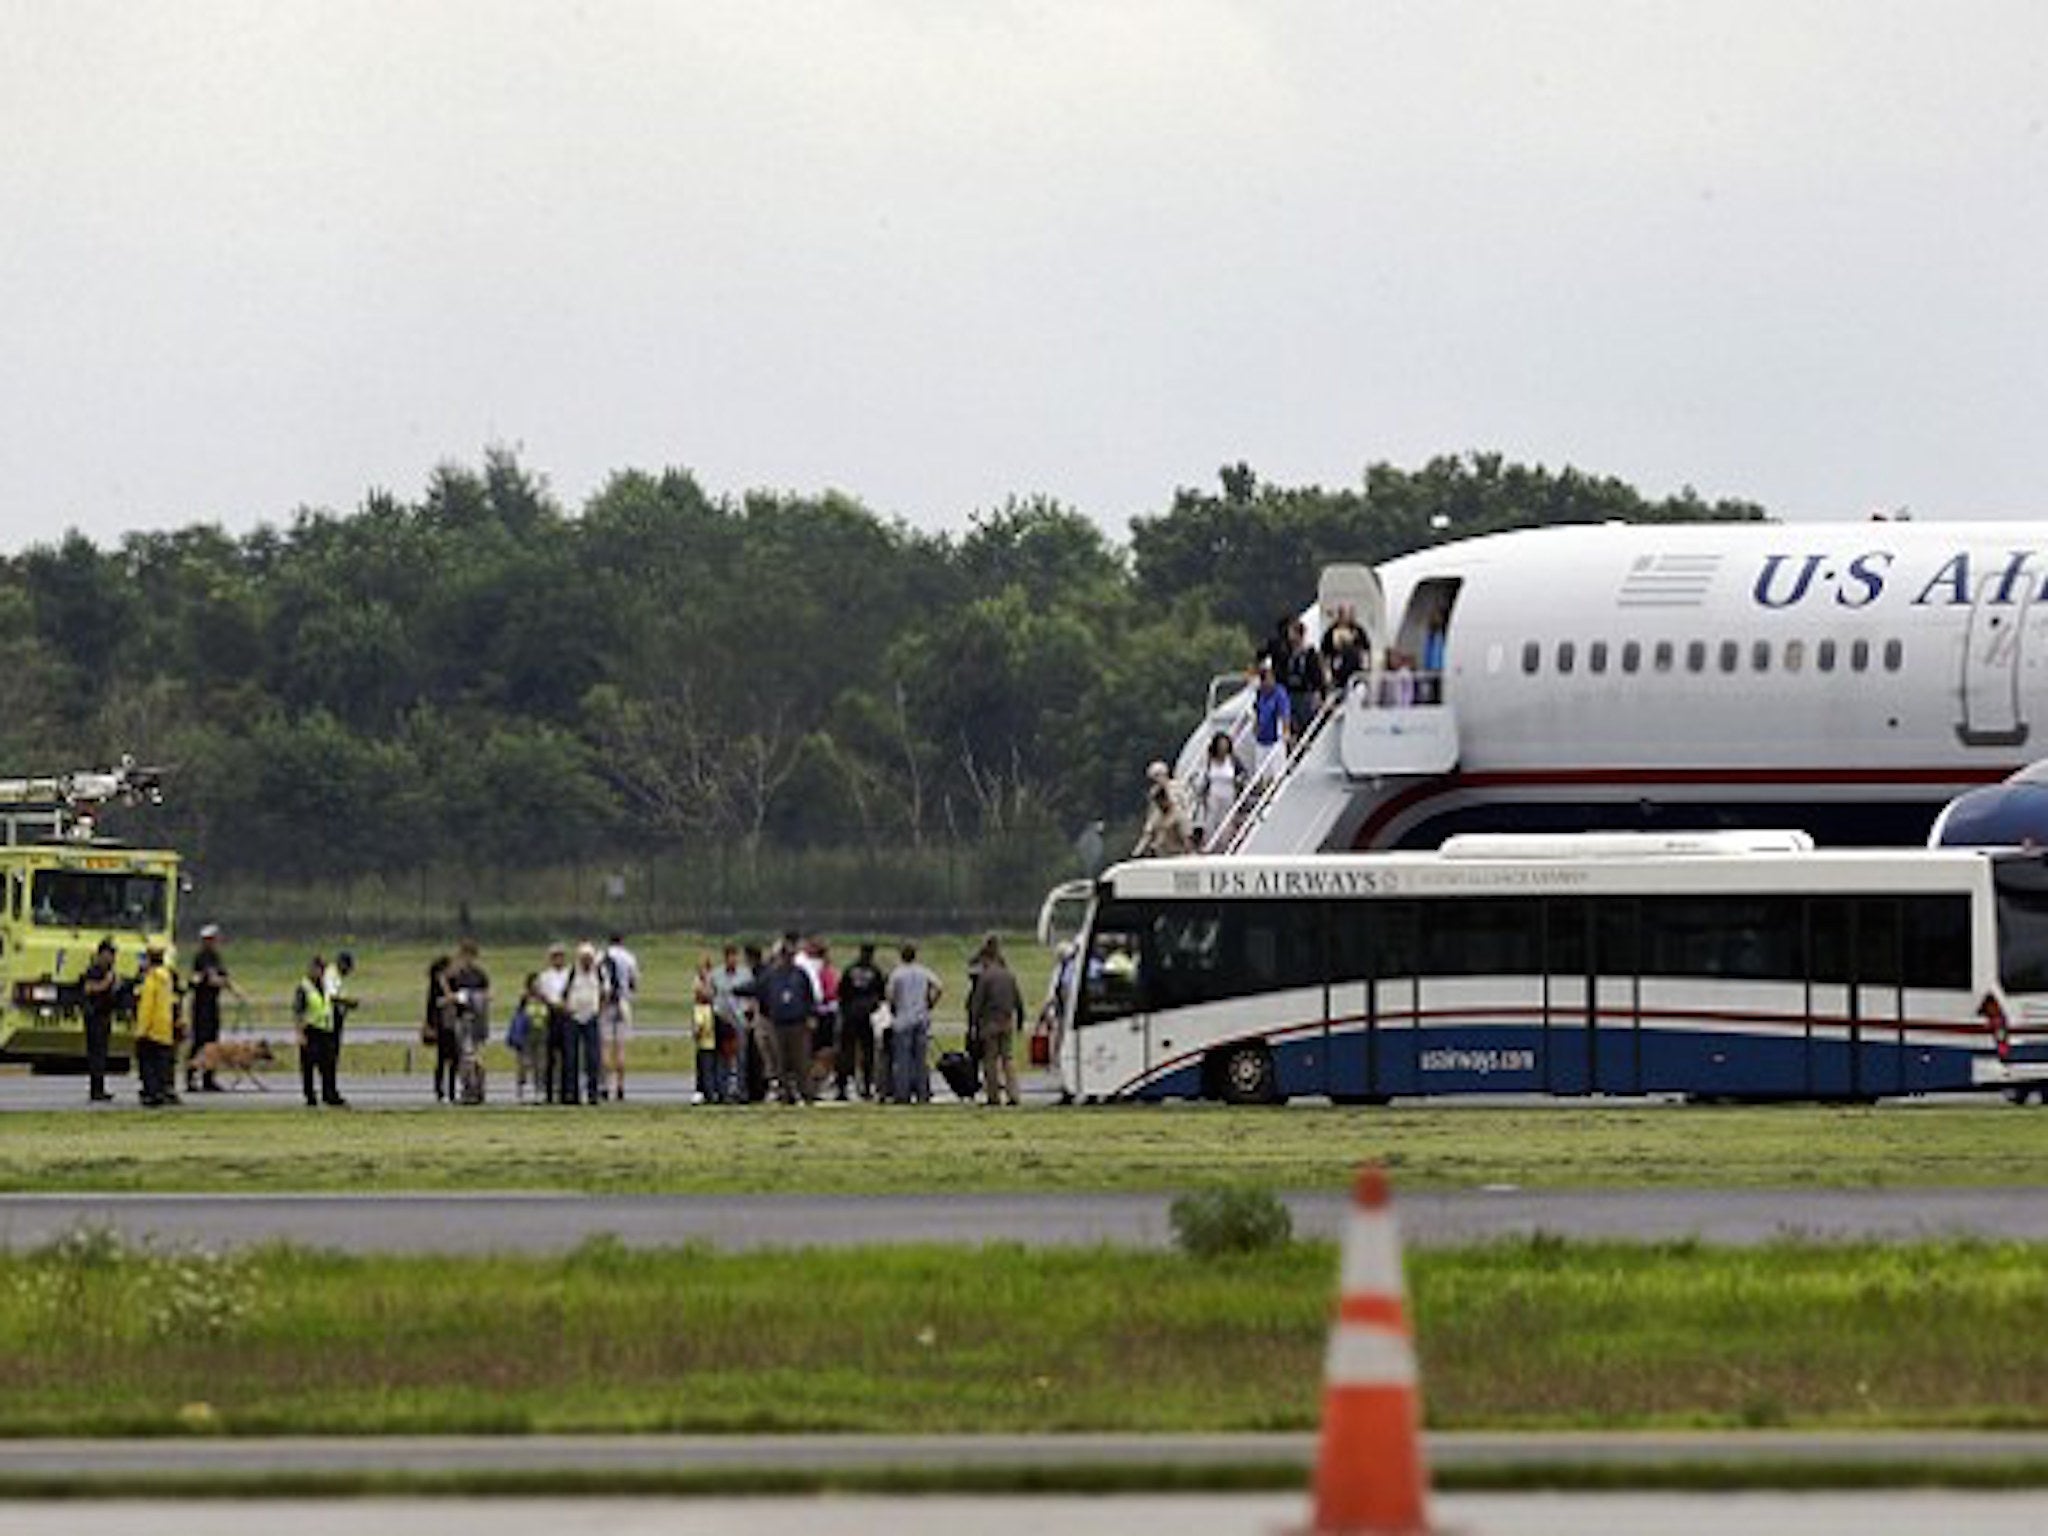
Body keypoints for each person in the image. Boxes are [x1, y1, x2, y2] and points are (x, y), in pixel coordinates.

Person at [966, 935, 1024, 1107]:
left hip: (989, 1023)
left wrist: (973, 1025)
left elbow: (977, 1004)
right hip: (1007, 1022)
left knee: (990, 1061)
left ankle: (994, 1096)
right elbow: (1018, 1001)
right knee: (1008, 1059)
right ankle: (1014, 1094)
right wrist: (1020, 1021)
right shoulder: (1009, 975)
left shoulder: (985, 978)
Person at [185, 923, 243, 1094]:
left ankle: (208, 1078)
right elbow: (211, 979)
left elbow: (223, 977)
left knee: (213, 1043)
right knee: (200, 1042)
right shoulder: (201, 957)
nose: (216, 941)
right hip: (201, 1005)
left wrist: (236, 991)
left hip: (212, 1004)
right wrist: (224, 983)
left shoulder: (216, 957)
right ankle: (191, 1077)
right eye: (212, 939)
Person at [760, 941, 818, 1105]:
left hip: (798, 1024)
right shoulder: (771, 975)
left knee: (801, 1061)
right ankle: (785, 1094)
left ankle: (806, 1093)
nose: (787, 959)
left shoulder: (800, 974)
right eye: (784, 955)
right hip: (778, 1024)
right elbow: (761, 992)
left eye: (790, 955)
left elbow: (809, 996)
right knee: (781, 1061)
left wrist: (811, 1015)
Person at [884, 942, 940, 1105]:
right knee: (921, 1059)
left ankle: (903, 1093)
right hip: (921, 1018)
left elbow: (890, 994)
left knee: (903, 1059)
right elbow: (939, 986)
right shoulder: (923, 972)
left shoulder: (898, 974)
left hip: (902, 1020)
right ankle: (923, 1092)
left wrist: (893, 1007)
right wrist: (930, 1003)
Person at [835, 941, 886, 1101]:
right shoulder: (875, 971)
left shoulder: (850, 970)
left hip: (850, 1015)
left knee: (846, 1053)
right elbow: (881, 994)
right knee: (868, 1053)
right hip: (866, 1017)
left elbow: (841, 992)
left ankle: (842, 1088)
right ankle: (866, 1087)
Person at [133, 940, 180, 1108]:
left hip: (151, 1028)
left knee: (147, 1063)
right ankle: (163, 1089)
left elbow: (147, 1006)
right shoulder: (168, 977)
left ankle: (151, 1093)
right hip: (165, 1028)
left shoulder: (151, 978)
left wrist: (141, 1030)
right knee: (163, 1063)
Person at [294, 952, 345, 1107]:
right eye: (317, 969)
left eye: (322, 969)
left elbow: (331, 1002)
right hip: (311, 1029)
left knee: (328, 1064)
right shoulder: (304, 987)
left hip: (326, 1029)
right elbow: (298, 1012)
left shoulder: (326, 985)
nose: (319, 972)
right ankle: (310, 1096)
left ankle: (329, 1094)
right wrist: (300, 1033)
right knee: (309, 1065)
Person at [561, 943, 604, 1106]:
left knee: (593, 1057)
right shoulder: (571, 973)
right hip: (574, 1018)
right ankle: (573, 1094)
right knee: (571, 1058)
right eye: (584, 959)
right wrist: (567, 1009)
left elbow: (604, 992)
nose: (587, 962)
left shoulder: (599, 973)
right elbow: (563, 993)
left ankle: (593, 1094)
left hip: (591, 1018)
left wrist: (598, 1010)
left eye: (589, 959)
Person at [600, 931, 640, 1102]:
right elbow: (634, 982)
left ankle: (605, 1087)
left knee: (606, 1047)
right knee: (621, 1048)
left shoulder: (601, 957)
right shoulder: (629, 958)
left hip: (607, 1004)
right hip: (623, 1003)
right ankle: (620, 1086)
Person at [710, 943, 751, 1104]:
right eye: (729, 957)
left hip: (740, 1018)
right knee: (723, 1057)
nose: (732, 960)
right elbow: (713, 994)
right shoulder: (716, 974)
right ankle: (723, 1091)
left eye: (735, 956)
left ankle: (741, 1091)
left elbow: (750, 996)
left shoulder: (745, 974)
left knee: (741, 1057)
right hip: (723, 1018)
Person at [79, 937, 119, 1103]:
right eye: (109, 954)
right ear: (101, 954)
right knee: (96, 1054)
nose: (112, 958)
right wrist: (105, 983)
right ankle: (95, 1090)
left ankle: (100, 1088)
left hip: (105, 1015)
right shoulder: (94, 971)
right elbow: (88, 988)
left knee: (102, 1054)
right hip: (94, 1016)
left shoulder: (110, 971)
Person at [1194, 731, 1246, 850]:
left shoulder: (1232, 760)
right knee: (1211, 820)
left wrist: (1239, 781)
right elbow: (1205, 778)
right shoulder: (1209, 761)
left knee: (1227, 820)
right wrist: (1202, 795)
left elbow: (1242, 774)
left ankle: (1225, 845)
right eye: (1221, 744)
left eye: (1225, 744)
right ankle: (1210, 845)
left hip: (1229, 792)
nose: (1223, 747)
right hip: (1214, 793)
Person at [1134, 762, 1196, 857]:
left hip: (1177, 827)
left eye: (1157, 776)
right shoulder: (1154, 794)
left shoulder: (1177, 788)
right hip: (1162, 840)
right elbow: (1149, 826)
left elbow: (1185, 805)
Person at [536, 943, 572, 1104]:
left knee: (567, 1056)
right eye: (555, 956)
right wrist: (552, 1004)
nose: (558, 959)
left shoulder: (570, 974)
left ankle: (566, 1092)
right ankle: (549, 1093)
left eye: (560, 956)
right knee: (550, 1057)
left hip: (567, 1015)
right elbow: (542, 995)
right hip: (552, 1015)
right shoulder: (545, 976)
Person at [1282, 618, 1327, 736]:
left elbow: (1317, 675)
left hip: (1306, 694)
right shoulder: (1289, 654)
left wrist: (1320, 693)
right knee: (1294, 724)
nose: (1289, 637)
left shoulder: (1309, 653)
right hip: (1292, 693)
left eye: (1292, 633)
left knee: (1307, 724)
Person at [1250, 660, 1292, 782]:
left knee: (1276, 771)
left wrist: (1286, 730)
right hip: (1262, 739)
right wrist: (1256, 726)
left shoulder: (1279, 693)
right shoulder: (1260, 694)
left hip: (1275, 739)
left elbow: (1285, 713)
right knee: (1262, 773)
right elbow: (1257, 710)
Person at [424, 954, 458, 1103]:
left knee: (454, 1059)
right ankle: (439, 1091)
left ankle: (452, 1091)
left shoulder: (454, 982)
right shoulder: (435, 983)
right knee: (441, 1058)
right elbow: (431, 1004)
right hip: (441, 1023)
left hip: (453, 1022)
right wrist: (430, 1025)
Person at [691, 958, 720, 1104]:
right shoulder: (698, 981)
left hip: (710, 1040)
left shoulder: (711, 982)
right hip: (703, 1042)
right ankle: (703, 1090)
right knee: (703, 1065)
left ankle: (710, 1092)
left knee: (709, 1066)